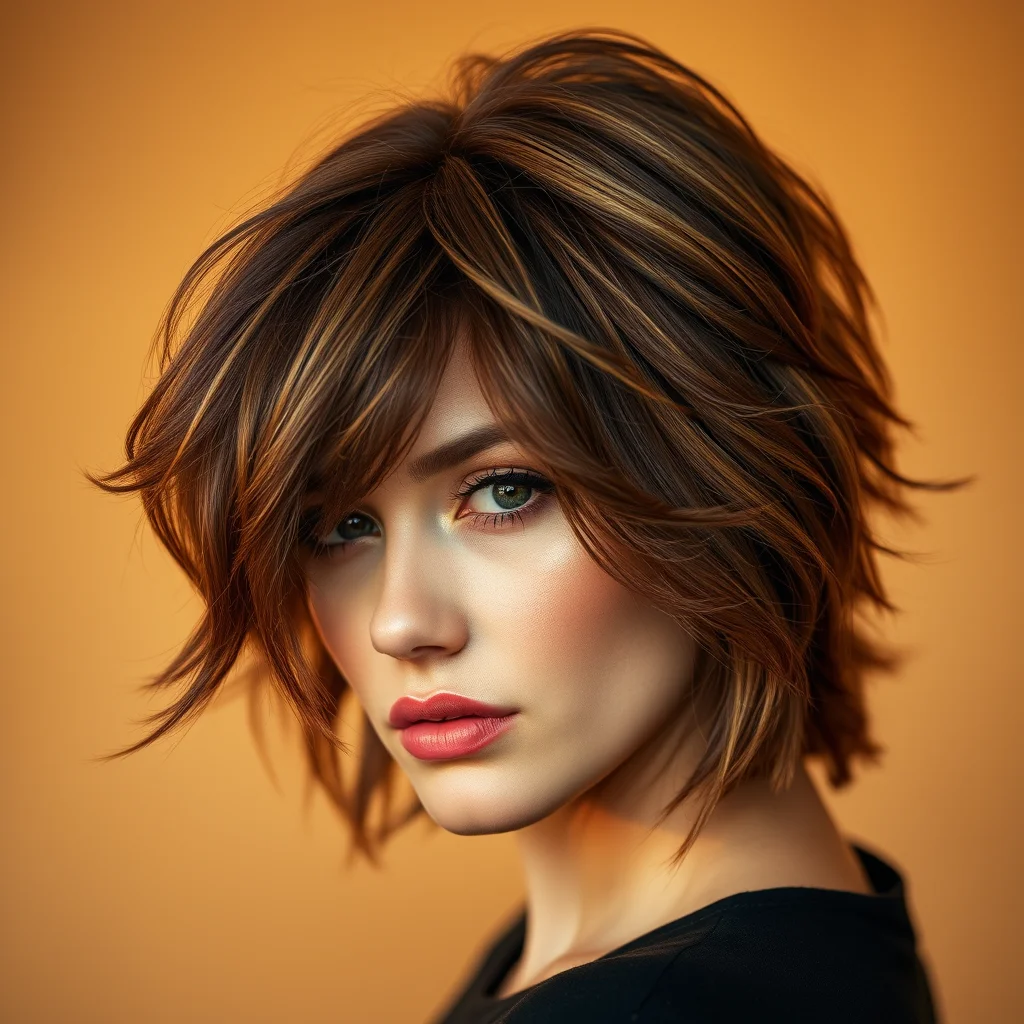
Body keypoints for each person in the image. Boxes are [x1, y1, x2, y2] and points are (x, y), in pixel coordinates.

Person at [92, 27, 956, 1023]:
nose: (399, 622)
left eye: (504, 491)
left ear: (731, 467)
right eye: (338, 524)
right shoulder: (774, 944)